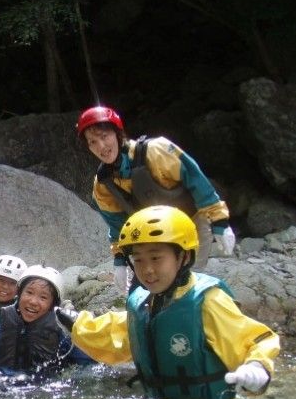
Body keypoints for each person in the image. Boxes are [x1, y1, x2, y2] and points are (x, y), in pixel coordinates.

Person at [56, 205, 280, 399]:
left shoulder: (208, 301)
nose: (147, 270)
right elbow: (122, 333)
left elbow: (254, 339)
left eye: (156, 258)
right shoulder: (145, 300)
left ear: (183, 256)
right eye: (139, 260)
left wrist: (258, 367)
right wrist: (78, 326)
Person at [75, 105, 236, 294]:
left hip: (191, 226)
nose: (101, 146)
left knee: (184, 285)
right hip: (152, 237)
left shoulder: (156, 151)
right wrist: (120, 261)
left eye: (104, 137)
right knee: (147, 292)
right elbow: (118, 225)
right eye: (93, 142)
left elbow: (195, 180)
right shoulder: (102, 184)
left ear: (118, 134)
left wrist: (219, 221)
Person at [0, 264, 94, 378]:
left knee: (23, 379)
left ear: (53, 305)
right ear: (18, 295)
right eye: (29, 293)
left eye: (43, 297)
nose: (33, 301)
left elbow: (90, 367)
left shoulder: (64, 341)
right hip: (0, 389)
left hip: (37, 392)